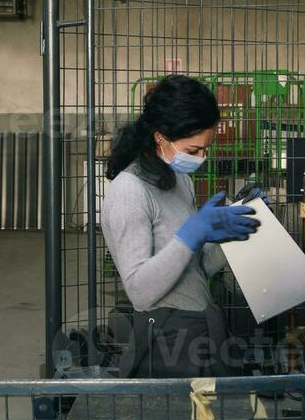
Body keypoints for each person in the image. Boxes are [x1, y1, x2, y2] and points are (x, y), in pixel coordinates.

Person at [100, 75, 259, 377]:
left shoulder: (178, 178)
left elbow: (196, 270)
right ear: (160, 137)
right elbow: (140, 292)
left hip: (203, 326)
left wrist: (230, 232)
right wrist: (192, 234)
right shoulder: (129, 192)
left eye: (205, 149)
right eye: (193, 150)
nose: (201, 158)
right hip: (166, 340)